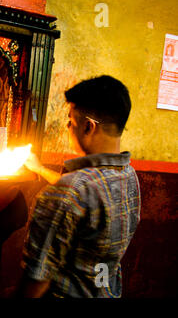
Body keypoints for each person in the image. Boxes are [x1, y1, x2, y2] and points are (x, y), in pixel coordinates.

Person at [19, 75, 141, 298]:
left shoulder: (69, 192)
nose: (67, 127)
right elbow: (84, 199)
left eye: (70, 121)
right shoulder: (128, 176)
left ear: (88, 126)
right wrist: (40, 169)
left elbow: (36, 281)